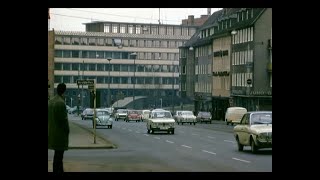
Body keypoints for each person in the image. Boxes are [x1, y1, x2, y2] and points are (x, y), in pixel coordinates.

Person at [48, 83, 69, 174]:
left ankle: (59, 170)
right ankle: (58, 171)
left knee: (57, 155)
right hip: (60, 133)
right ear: (64, 91)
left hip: (52, 131)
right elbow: (63, 120)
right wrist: (67, 130)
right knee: (59, 155)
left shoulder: (51, 101)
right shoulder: (60, 103)